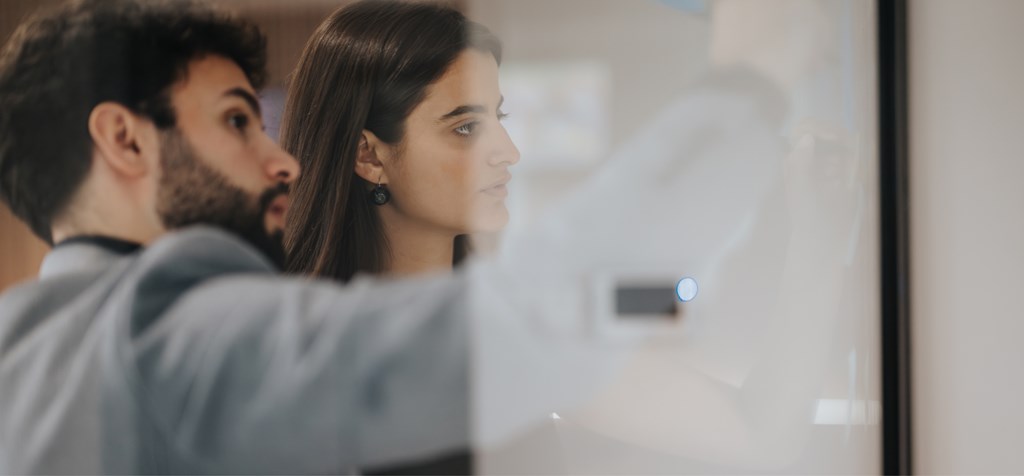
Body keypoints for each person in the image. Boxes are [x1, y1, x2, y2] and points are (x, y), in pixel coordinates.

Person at [0, 0, 859, 473]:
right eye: (237, 121)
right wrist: (746, 84)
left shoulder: (28, 349)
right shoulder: (182, 333)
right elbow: (529, 322)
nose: (282, 161)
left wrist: (819, 240)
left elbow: (756, 431)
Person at [281, 1, 519, 282]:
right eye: (467, 127)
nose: (509, 153)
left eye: (499, 115)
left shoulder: (508, 315)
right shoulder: (294, 322)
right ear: (368, 156)